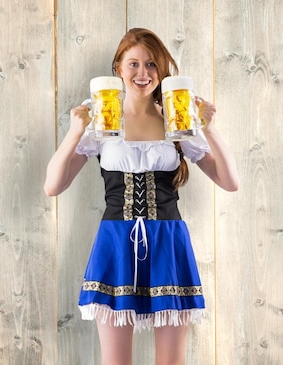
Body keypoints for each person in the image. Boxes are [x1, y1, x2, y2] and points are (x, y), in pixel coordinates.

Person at [44, 28, 239, 365]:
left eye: (151, 64)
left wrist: (209, 127)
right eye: (133, 63)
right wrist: (75, 132)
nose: (142, 73)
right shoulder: (103, 120)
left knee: (171, 361)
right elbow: (53, 186)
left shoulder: (176, 119)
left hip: (169, 242)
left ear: (161, 72)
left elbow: (230, 181)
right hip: (116, 244)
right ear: (118, 68)